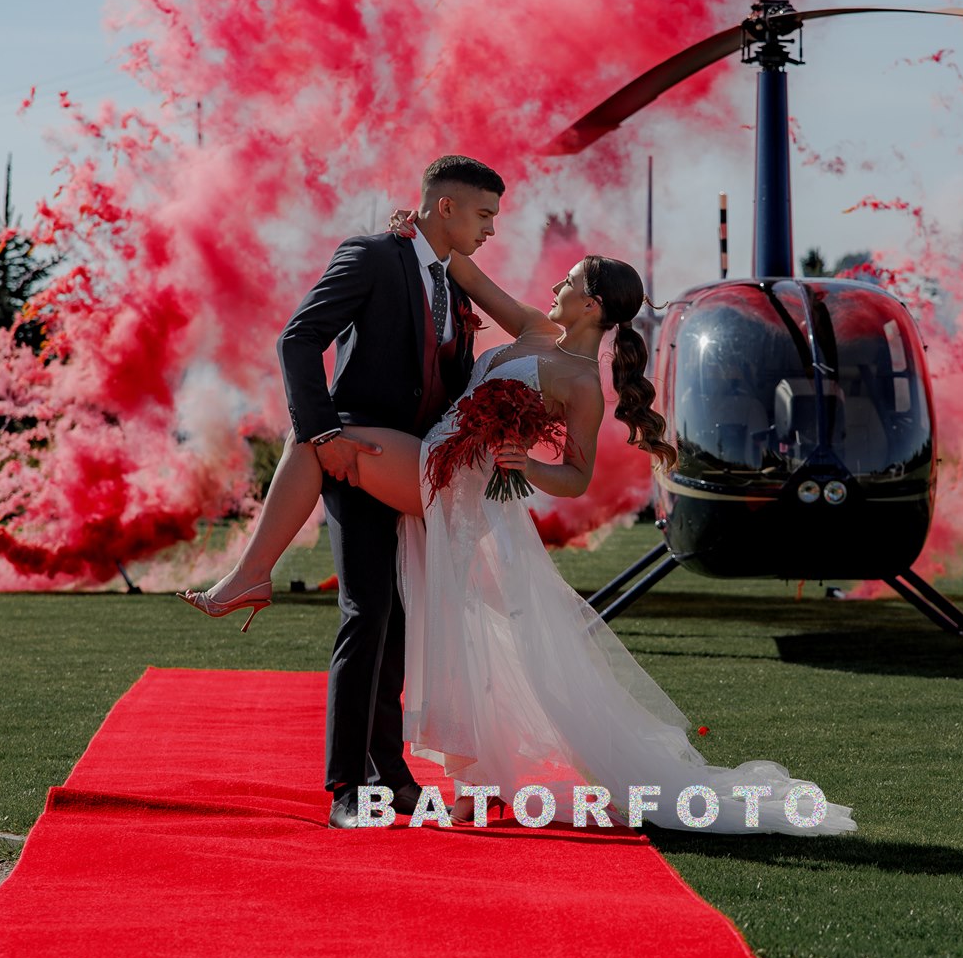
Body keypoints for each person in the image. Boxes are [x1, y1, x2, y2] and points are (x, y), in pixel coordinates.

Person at [185, 205, 855, 837]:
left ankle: (252, 574)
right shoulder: (534, 328)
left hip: (455, 482)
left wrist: (524, 463)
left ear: (591, 306)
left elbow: (575, 476)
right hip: (434, 459)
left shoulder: (581, 384)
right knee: (426, 618)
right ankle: (440, 770)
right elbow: (467, 274)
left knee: (317, 438)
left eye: (570, 281)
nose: (556, 285)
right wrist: (416, 226)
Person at [181, 155, 494, 829]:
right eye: (484, 214)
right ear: (445, 207)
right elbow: (299, 339)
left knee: (397, 618)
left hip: (413, 470)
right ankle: (348, 788)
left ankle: (389, 775)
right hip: (351, 458)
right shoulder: (372, 255)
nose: (491, 229)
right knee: (367, 610)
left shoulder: (454, 286)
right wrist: (322, 434)